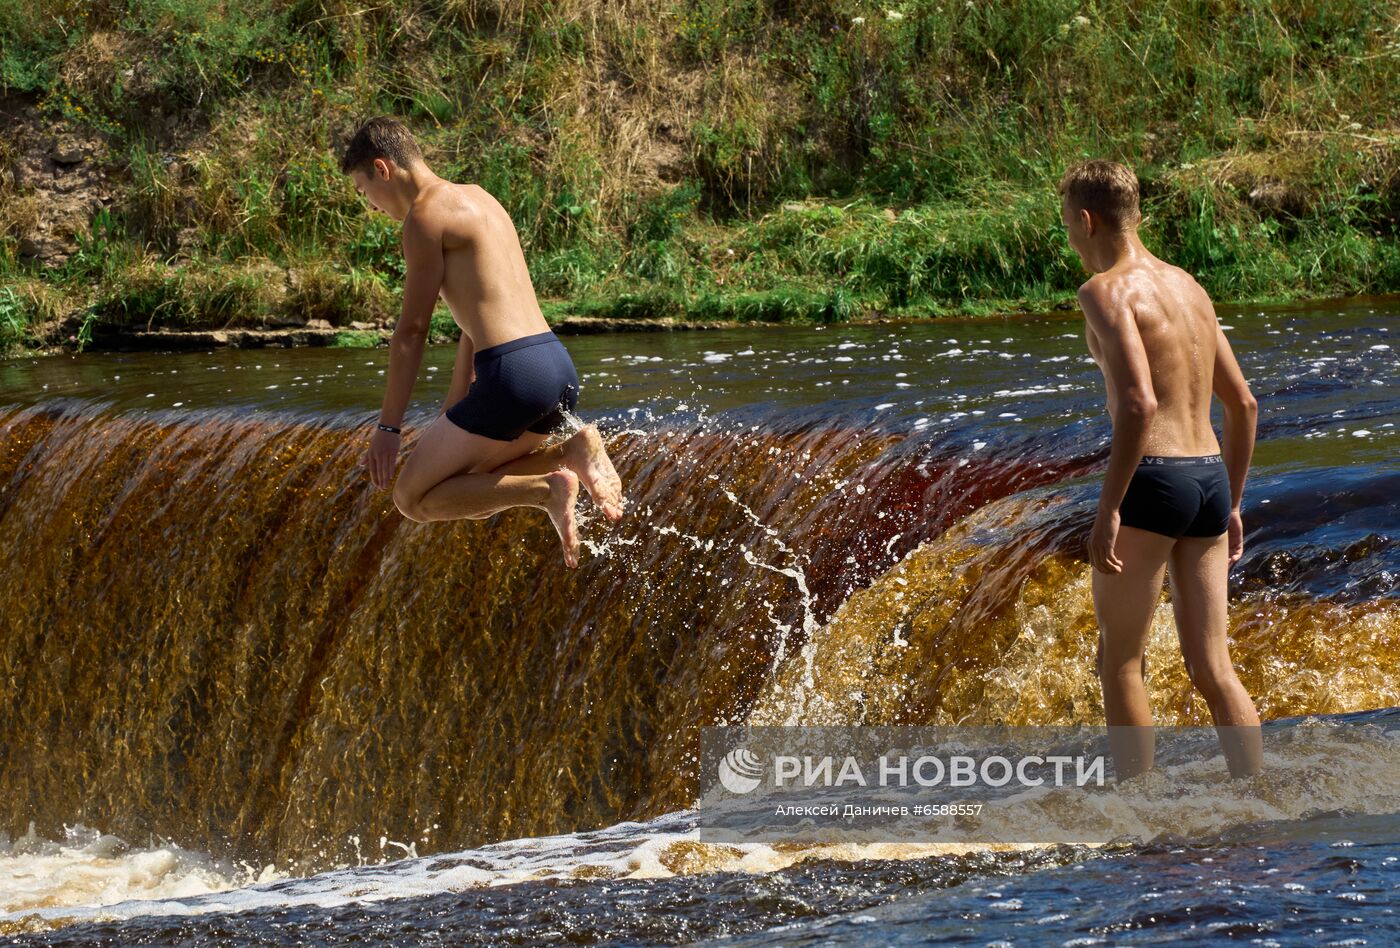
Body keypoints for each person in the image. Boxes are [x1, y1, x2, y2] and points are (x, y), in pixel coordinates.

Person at [340, 116, 625, 567]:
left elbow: (411, 333)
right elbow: (475, 319)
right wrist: (456, 403)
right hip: (555, 368)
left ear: (382, 169)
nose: (371, 205)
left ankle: (548, 489)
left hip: (511, 375)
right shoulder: (479, 199)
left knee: (413, 498)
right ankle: (573, 451)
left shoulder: (424, 217)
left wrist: (388, 429)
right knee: (475, 479)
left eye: (363, 192)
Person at [1059, 159, 1262, 780]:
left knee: (1120, 661)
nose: (1069, 236)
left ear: (1087, 221)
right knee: (1213, 666)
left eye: (1067, 224)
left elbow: (1140, 403)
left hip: (1153, 478)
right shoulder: (1189, 287)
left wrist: (1109, 507)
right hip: (1206, 479)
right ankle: (1259, 798)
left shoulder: (1103, 291)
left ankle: (1136, 809)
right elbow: (1244, 403)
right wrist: (1231, 502)